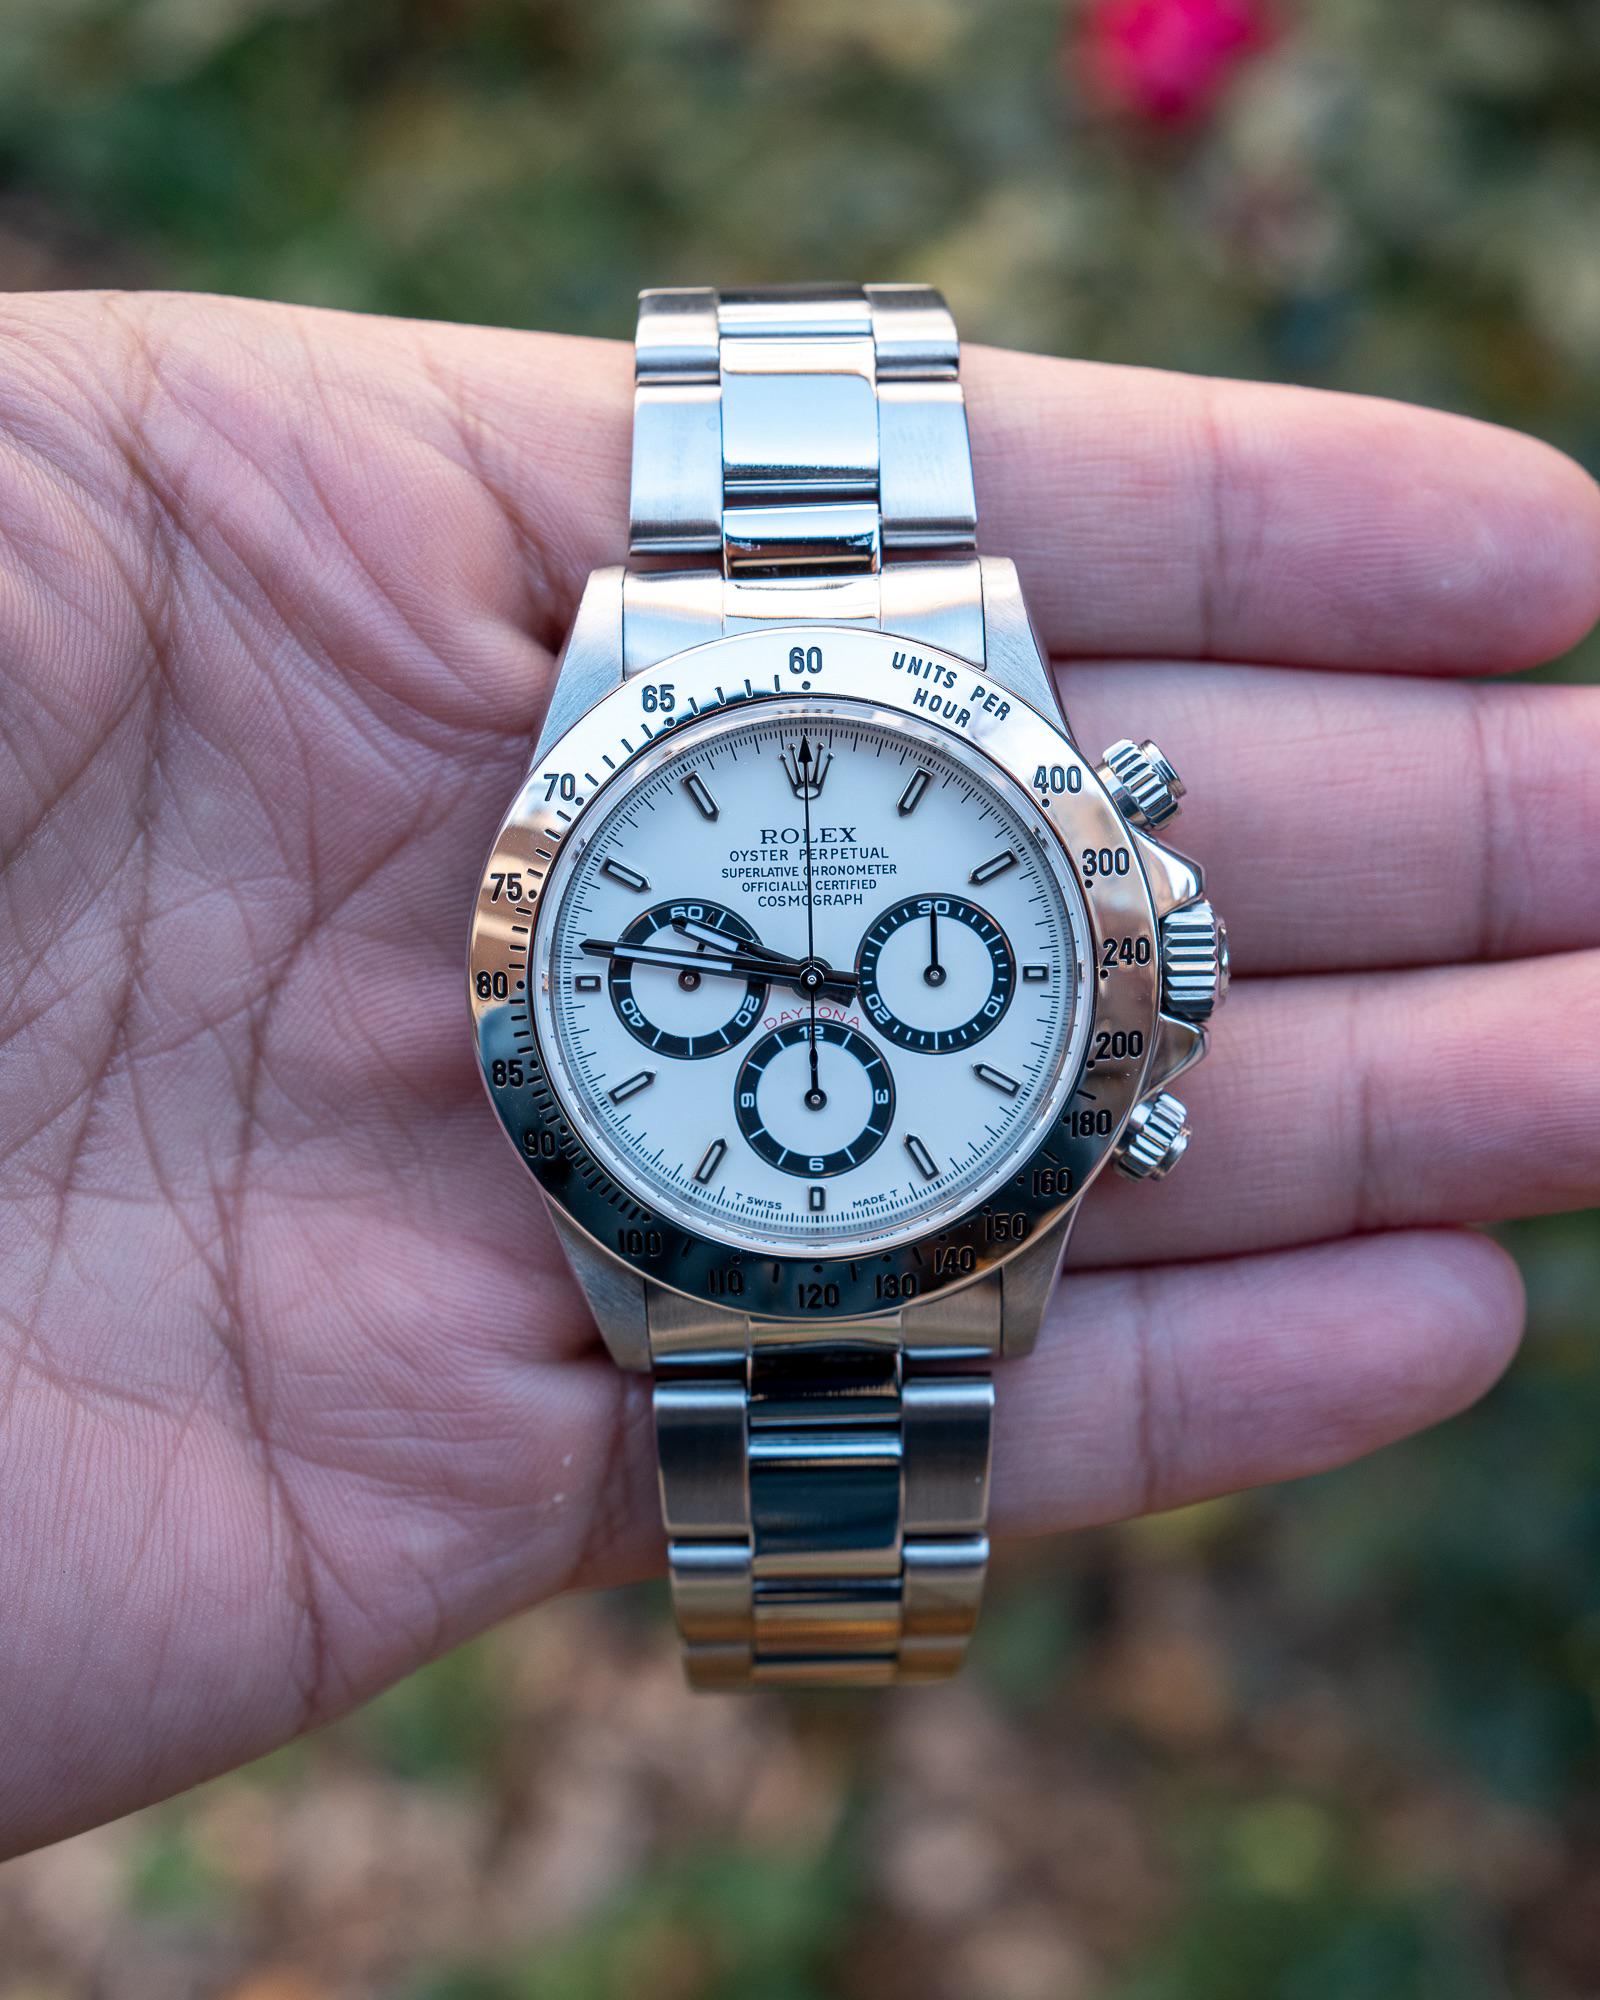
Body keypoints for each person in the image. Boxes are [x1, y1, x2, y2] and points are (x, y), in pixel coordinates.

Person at [1, 289, 1596, 1858]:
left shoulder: (714, 727)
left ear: (1153, 973)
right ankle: (826, 1633)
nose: (829, 991)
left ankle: (828, 1632)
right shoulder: (630, 713)